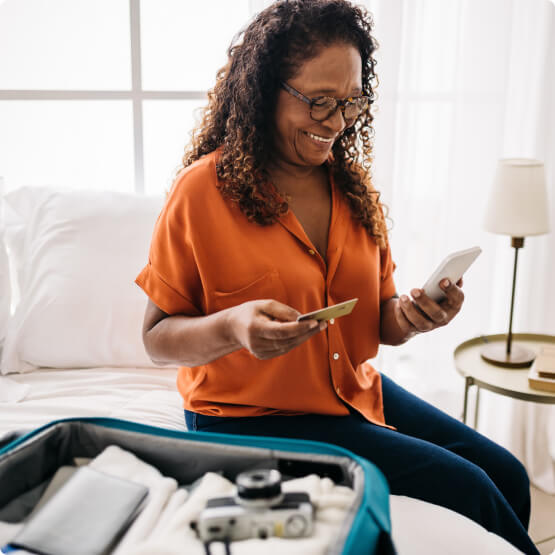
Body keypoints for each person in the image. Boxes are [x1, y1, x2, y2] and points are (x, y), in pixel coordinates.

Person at [135, 1, 538, 553]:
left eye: (350, 102)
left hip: (350, 388)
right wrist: (232, 327)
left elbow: (382, 324)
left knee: (509, 474)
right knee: (468, 486)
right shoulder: (201, 192)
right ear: (264, 90)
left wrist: (417, 317)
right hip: (249, 420)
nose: (337, 121)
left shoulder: (352, 192)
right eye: (319, 102)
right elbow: (157, 340)